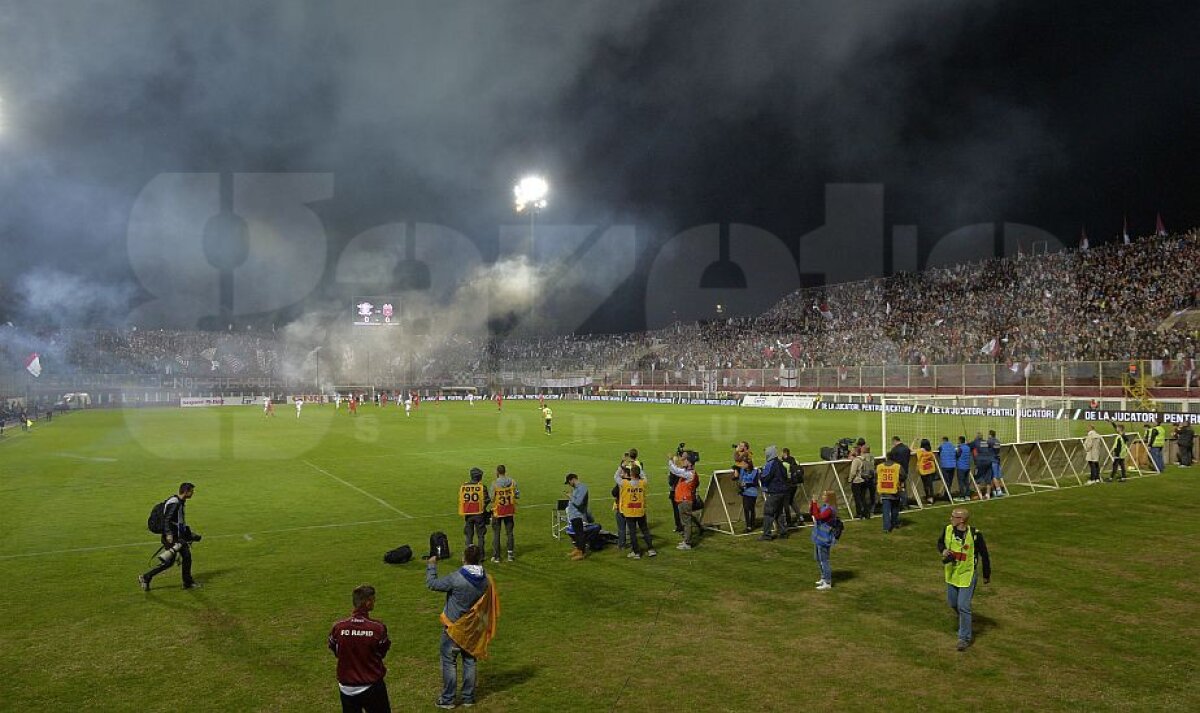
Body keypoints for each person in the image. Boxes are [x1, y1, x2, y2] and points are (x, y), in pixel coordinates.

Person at [427, 545, 498, 709]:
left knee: (449, 662)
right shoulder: (487, 579)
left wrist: (431, 565)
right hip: (474, 628)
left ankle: (448, 699)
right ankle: (468, 697)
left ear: (464, 558)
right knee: (470, 661)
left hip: (453, 628)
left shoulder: (456, 578)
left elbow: (432, 584)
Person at [328, 584, 392, 713]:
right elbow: (382, 652)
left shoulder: (338, 627)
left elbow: (335, 649)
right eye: (373, 600)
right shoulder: (377, 628)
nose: (375, 602)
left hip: (346, 688)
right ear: (368, 602)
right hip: (371, 686)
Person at [938, 508, 992, 651]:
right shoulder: (948, 529)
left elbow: (985, 555)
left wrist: (986, 574)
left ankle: (964, 638)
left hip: (968, 574)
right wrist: (943, 550)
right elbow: (940, 543)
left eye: (953, 516)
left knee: (963, 606)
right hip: (952, 573)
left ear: (961, 520)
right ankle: (965, 619)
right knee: (953, 603)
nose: (950, 518)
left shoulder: (975, 535)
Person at [139, 482, 201, 591]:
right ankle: (187, 583)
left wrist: (188, 534)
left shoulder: (178, 501)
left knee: (177, 560)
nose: (193, 493)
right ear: (186, 492)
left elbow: (177, 521)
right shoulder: (175, 503)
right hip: (172, 536)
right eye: (191, 491)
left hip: (175, 535)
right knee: (179, 559)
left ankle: (146, 577)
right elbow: (167, 519)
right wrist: (168, 534)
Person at [619, 463, 656, 558]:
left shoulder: (625, 483)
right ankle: (651, 549)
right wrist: (639, 468)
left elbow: (615, 476)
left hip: (629, 512)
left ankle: (637, 552)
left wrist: (621, 466)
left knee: (632, 532)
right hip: (640, 511)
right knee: (645, 530)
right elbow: (644, 476)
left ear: (631, 473)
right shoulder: (643, 483)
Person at [758, 445, 790, 540]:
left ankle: (766, 535)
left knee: (768, 512)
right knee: (779, 512)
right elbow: (785, 475)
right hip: (783, 491)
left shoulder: (770, 464)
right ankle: (783, 532)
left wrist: (760, 473)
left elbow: (765, 477)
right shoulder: (780, 463)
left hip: (774, 491)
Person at [667, 451, 699, 550]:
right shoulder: (690, 472)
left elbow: (675, 470)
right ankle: (686, 540)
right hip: (685, 499)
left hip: (685, 500)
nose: (683, 461)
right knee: (685, 521)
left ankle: (687, 543)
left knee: (686, 522)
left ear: (689, 463)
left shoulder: (689, 473)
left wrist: (671, 460)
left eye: (685, 460)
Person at [489, 465, 519, 563]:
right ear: (505, 471)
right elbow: (517, 495)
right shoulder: (513, 482)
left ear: (497, 472)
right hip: (509, 511)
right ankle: (510, 555)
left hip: (498, 511)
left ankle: (497, 556)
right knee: (509, 533)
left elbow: (492, 498)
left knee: (496, 533)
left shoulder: (494, 484)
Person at [810, 490, 839, 590]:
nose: (822, 496)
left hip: (824, 537)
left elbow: (818, 517)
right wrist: (813, 504)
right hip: (819, 536)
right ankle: (823, 577)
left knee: (824, 560)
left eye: (824, 495)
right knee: (817, 558)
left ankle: (827, 582)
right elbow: (813, 512)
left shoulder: (830, 509)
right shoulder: (825, 506)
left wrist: (814, 503)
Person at [459, 467, 490, 551]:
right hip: (479, 514)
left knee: (469, 535)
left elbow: (462, 500)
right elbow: (487, 500)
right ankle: (480, 555)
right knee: (480, 536)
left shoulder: (464, 486)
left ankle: (468, 556)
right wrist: (483, 507)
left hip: (468, 514)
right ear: (480, 477)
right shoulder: (482, 487)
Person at [564, 472, 593, 560]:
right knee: (577, 533)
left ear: (572, 480)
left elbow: (578, 502)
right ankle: (578, 549)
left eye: (569, 483)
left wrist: (570, 496)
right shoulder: (577, 488)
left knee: (580, 534)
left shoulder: (582, 487)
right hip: (573, 515)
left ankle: (581, 553)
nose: (569, 485)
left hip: (578, 514)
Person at [875, 453, 902, 533]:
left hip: (884, 490)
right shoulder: (897, 466)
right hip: (894, 490)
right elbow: (903, 476)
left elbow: (876, 476)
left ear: (886, 458)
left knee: (886, 510)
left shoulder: (879, 466)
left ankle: (886, 528)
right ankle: (894, 523)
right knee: (895, 509)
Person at [736, 456, 760, 534]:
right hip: (745, 492)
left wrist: (746, 483)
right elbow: (740, 479)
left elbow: (756, 483)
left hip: (752, 493)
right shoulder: (743, 470)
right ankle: (749, 525)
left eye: (744, 463)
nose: (742, 465)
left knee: (750, 508)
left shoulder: (755, 472)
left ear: (748, 464)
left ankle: (751, 524)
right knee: (746, 508)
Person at [848, 444, 873, 520]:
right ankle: (866, 513)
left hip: (857, 481)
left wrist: (850, 479)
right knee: (863, 498)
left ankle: (860, 513)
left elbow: (853, 472)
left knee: (858, 498)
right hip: (864, 480)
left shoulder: (856, 460)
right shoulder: (864, 459)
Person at [781, 447, 804, 526]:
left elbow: (783, 475)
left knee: (785, 503)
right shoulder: (795, 460)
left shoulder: (784, 463)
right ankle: (800, 516)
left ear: (784, 453)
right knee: (792, 501)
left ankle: (788, 521)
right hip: (795, 484)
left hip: (788, 485)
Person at [888, 436, 912, 511]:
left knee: (896, 488)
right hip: (905, 471)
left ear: (894, 441)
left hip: (897, 472)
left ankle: (899, 504)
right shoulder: (906, 448)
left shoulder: (894, 450)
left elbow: (892, 462)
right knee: (903, 487)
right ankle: (904, 504)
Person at [971, 431, 994, 499]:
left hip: (980, 463)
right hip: (989, 462)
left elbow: (970, 449)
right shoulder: (986, 442)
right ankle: (988, 494)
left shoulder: (975, 443)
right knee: (988, 479)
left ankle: (980, 494)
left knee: (977, 479)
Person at [916, 439, 938, 504]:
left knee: (925, 485)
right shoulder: (930, 452)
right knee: (930, 485)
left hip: (923, 470)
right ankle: (931, 498)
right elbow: (933, 459)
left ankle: (928, 497)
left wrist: (914, 441)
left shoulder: (920, 451)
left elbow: (910, 449)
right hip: (930, 469)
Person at [987, 430, 1008, 497]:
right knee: (999, 476)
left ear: (990, 435)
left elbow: (982, 446)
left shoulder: (989, 441)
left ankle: (998, 491)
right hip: (997, 459)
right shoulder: (997, 441)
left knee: (994, 477)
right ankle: (996, 491)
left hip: (993, 460)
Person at [937, 436, 958, 501]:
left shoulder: (941, 446)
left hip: (945, 466)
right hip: (952, 466)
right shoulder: (953, 446)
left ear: (943, 440)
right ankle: (947, 494)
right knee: (949, 481)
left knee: (946, 481)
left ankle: (947, 496)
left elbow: (939, 452)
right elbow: (956, 453)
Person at [954, 436, 973, 501]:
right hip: (967, 467)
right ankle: (967, 496)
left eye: (958, 440)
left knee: (961, 482)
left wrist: (956, 450)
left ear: (960, 441)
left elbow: (957, 455)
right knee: (966, 482)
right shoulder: (968, 447)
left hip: (961, 467)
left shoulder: (960, 448)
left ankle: (962, 496)